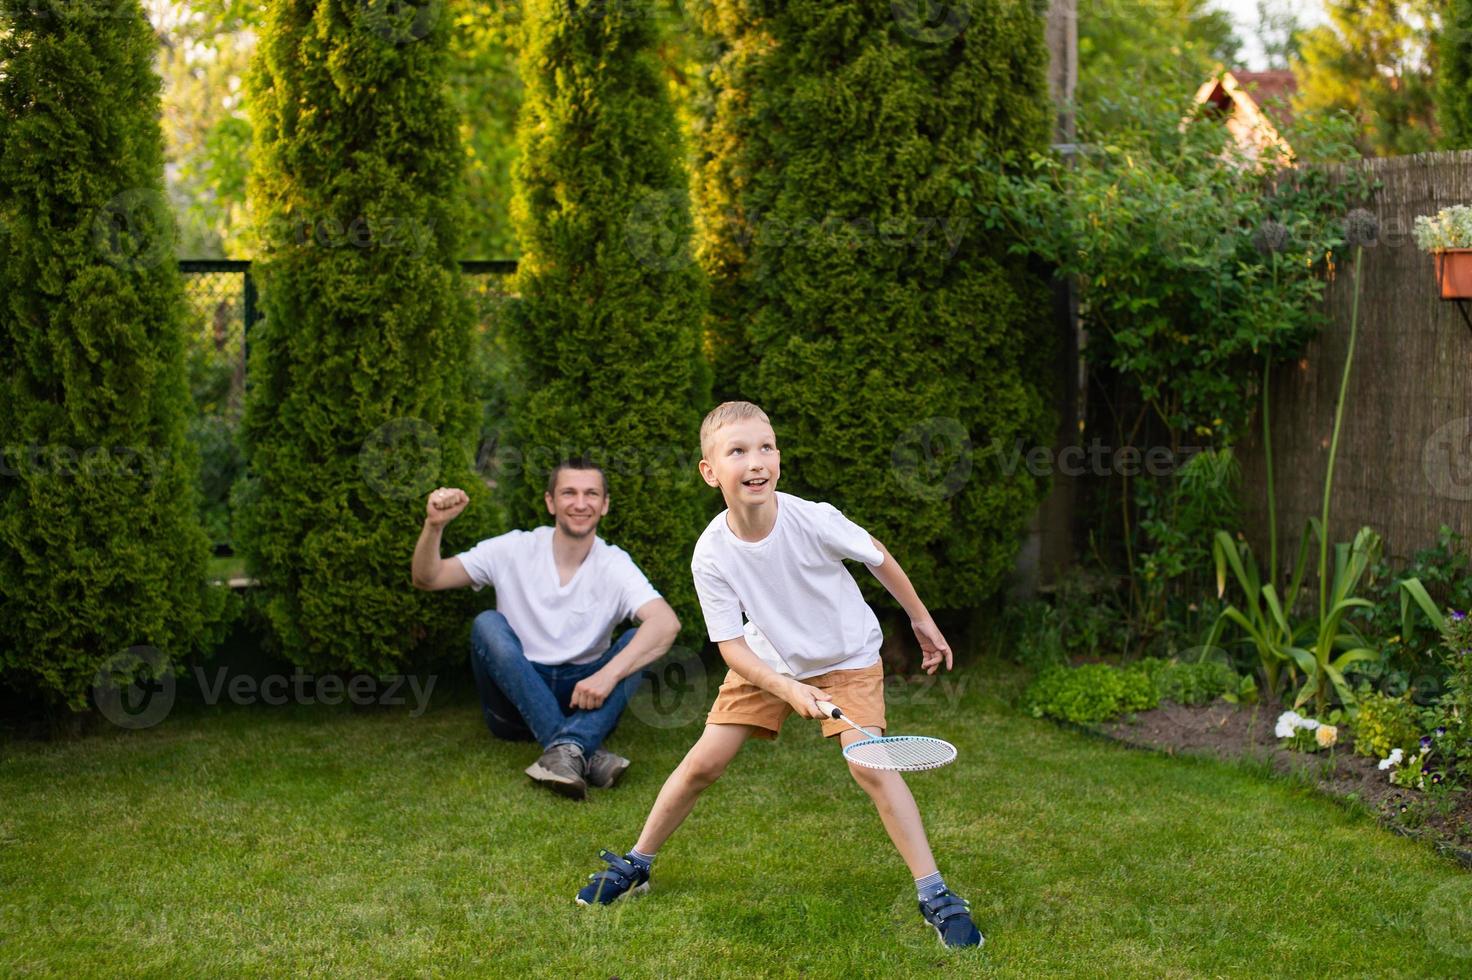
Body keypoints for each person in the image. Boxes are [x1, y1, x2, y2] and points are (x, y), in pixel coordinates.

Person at [572, 402, 983, 949]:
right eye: (737, 451)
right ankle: (637, 864)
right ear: (709, 471)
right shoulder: (710, 552)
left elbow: (876, 555)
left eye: (765, 447)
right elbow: (730, 645)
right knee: (702, 765)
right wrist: (788, 688)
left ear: (779, 458)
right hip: (768, 658)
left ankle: (935, 893)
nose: (756, 461)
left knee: (875, 770)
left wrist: (920, 618)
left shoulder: (812, 518)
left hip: (847, 656)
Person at [411, 459, 681, 800]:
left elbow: (666, 623)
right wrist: (434, 526)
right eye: (569, 493)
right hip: (513, 705)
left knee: (638, 640)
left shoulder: (614, 563)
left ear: (605, 504)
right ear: (550, 501)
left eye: (591, 494)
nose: (580, 503)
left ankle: (567, 748)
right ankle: (580, 748)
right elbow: (428, 577)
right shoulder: (513, 548)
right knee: (487, 624)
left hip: (584, 699)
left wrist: (608, 675)